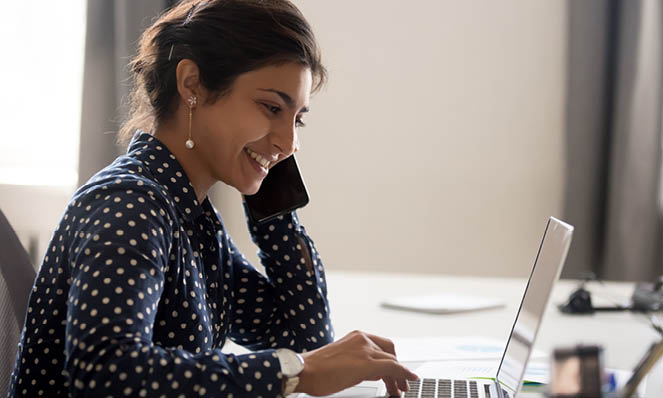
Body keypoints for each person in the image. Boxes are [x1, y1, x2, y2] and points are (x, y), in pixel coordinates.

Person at [8, 0, 418, 397]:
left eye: (298, 119)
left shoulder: (193, 218)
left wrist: (272, 199)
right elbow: (107, 374)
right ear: (192, 85)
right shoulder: (129, 204)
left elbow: (304, 337)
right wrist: (298, 372)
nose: (291, 142)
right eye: (271, 107)